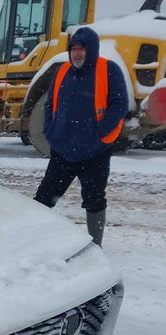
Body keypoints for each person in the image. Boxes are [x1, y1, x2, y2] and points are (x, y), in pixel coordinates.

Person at [34, 26, 128, 246]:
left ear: (92, 49)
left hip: (95, 152)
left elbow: (119, 105)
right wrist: (50, 131)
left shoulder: (109, 69)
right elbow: (50, 105)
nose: (77, 53)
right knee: (44, 198)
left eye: (81, 48)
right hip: (62, 151)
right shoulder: (62, 71)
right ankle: (34, 240)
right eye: (73, 48)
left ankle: (96, 245)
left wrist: (98, 135)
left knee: (94, 200)